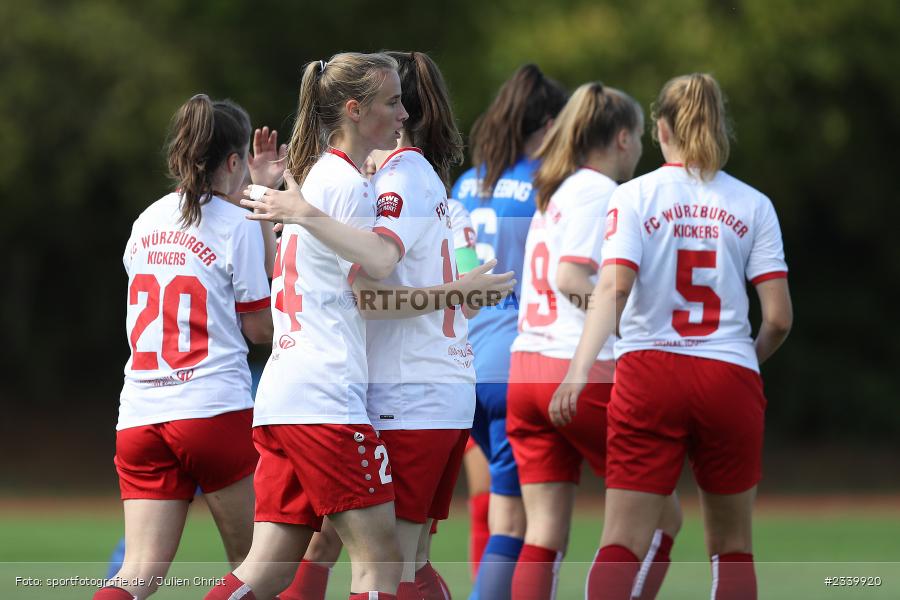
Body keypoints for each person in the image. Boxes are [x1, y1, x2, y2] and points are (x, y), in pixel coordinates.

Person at [209, 52, 513, 600]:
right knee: (385, 565)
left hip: (288, 389)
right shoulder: (354, 185)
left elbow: (296, 275)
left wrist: (295, 211)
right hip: (332, 395)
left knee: (272, 569)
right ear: (354, 110)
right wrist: (456, 293)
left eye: (402, 101)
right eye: (391, 103)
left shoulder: (324, 179)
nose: (402, 114)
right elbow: (375, 271)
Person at [552, 73, 793, 600]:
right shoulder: (754, 203)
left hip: (649, 374)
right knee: (732, 547)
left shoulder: (634, 195)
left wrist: (577, 370)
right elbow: (777, 318)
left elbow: (613, 289)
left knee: (622, 540)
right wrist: (741, 361)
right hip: (729, 374)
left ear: (660, 129)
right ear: (719, 128)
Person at [94, 94, 277, 600]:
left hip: (139, 414)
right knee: (254, 566)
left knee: (136, 574)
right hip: (212, 410)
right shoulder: (235, 221)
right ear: (235, 161)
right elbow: (258, 328)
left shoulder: (147, 219)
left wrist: (257, 195)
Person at [281, 155, 479, 600]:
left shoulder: (373, 199)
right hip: (444, 383)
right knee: (402, 556)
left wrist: (306, 216)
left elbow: (372, 291)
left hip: (394, 392)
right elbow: (473, 295)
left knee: (361, 554)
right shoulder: (450, 205)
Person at [451, 64, 567, 600]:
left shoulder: (466, 182)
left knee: (502, 516)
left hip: (462, 364)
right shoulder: (550, 184)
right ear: (545, 124)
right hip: (516, 365)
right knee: (522, 528)